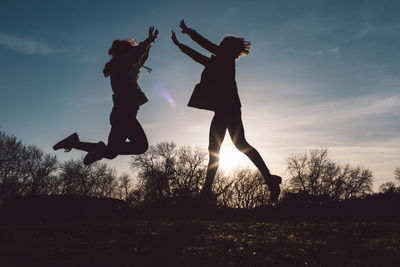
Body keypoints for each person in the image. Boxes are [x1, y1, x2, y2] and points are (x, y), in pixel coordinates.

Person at [171, 20, 281, 202]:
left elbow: (205, 46)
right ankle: (206, 193)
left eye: (222, 45)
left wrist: (189, 32)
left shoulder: (227, 60)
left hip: (230, 108)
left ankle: (269, 179)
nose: (218, 46)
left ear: (227, 49)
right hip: (221, 110)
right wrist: (180, 45)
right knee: (215, 149)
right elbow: (199, 57)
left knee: (239, 144)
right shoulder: (218, 62)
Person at [53, 26, 159, 165]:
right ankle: (91, 146)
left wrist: (149, 44)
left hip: (120, 114)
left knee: (110, 152)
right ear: (126, 51)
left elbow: (141, 58)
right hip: (124, 113)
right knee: (141, 146)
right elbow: (137, 54)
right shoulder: (122, 63)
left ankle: (74, 143)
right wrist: (148, 41)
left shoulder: (122, 66)